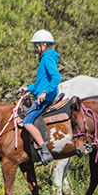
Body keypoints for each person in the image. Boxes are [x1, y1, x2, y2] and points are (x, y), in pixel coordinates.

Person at [18, 29, 61, 166]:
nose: (35, 48)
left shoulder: (47, 58)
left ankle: (44, 151)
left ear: (44, 45)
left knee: (27, 122)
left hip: (46, 98)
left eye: (37, 45)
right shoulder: (46, 58)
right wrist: (28, 88)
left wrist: (44, 93)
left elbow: (56, 78)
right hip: (44, 95)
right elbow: (40, 82)